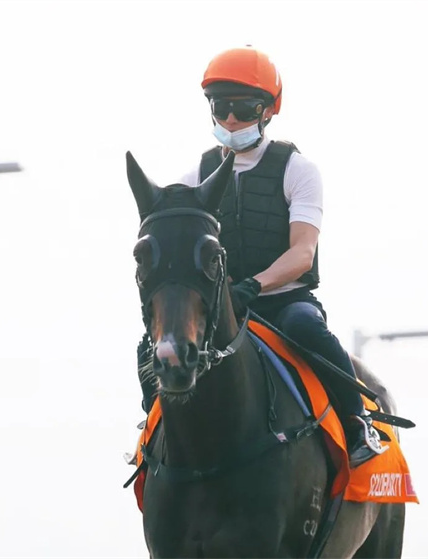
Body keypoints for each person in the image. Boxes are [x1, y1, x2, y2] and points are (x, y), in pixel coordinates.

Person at [138, 46, 385, 467]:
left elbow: (302, 253)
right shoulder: (193, 178)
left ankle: (356, 419)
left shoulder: (297, 170)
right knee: (151, 345)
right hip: (220, 308)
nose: (231, 119)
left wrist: (252, 287)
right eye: (221, 107)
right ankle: (153, 437)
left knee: (307, 326)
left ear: (268, 111)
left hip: (283, 302)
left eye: (243, 108)